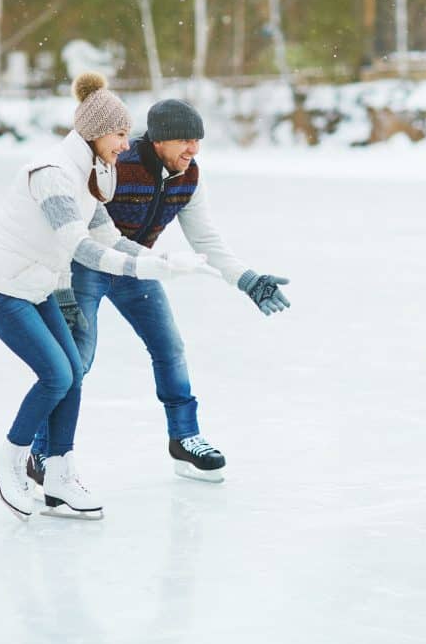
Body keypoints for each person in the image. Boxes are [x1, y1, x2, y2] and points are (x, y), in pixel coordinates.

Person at [0, 73, 215, 521]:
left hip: (40, 286)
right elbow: (81, 248)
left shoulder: (91, 175)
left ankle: (58, 474)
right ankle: (6, 461)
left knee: (73, 373)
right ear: (96, 132)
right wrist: (149, 267)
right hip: (1, 288)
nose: (127, 144)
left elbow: (110, 237)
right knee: (56, 375)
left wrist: (164, 262)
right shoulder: (54, 175)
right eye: (121, 134)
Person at [29, 98, 291, 484]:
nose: (193, 149)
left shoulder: (189, 175)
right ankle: (40, 452)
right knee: (75, 363)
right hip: (85, 267)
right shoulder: (116, 163)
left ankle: (184, 438)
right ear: (159, 141)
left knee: (170, 349)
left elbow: (205, 237)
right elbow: (68, 231)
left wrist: (245, 278)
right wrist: (62, 287)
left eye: (198, 140)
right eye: (185, 140)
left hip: (138, 267)